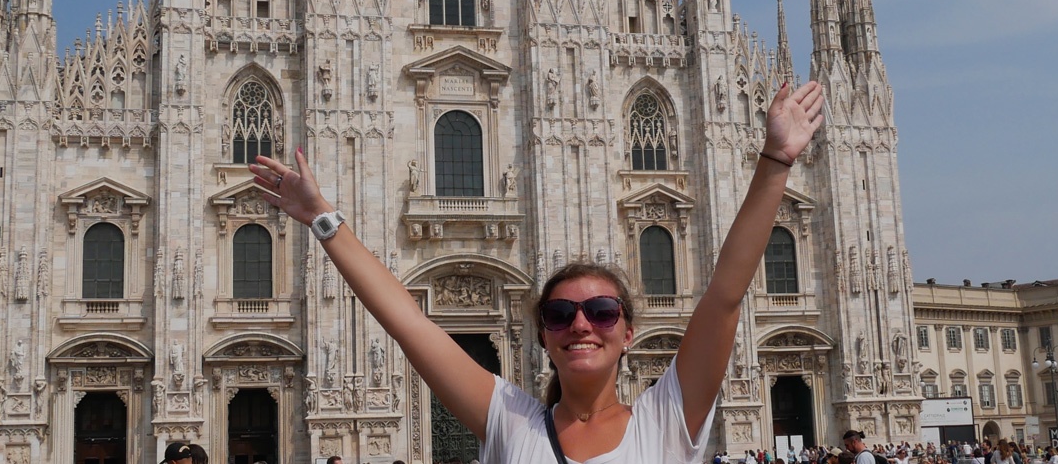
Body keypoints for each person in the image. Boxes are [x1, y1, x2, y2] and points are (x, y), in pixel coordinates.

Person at [252, 82, 825, 463]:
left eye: (602, 311)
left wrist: (775, 161)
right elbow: (408, 321)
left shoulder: (667, 418)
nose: (582, 324)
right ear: (543, 335)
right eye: (560, 313)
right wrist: (323, 219)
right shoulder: (511, 424)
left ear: (628, 333)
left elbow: (725, 294)